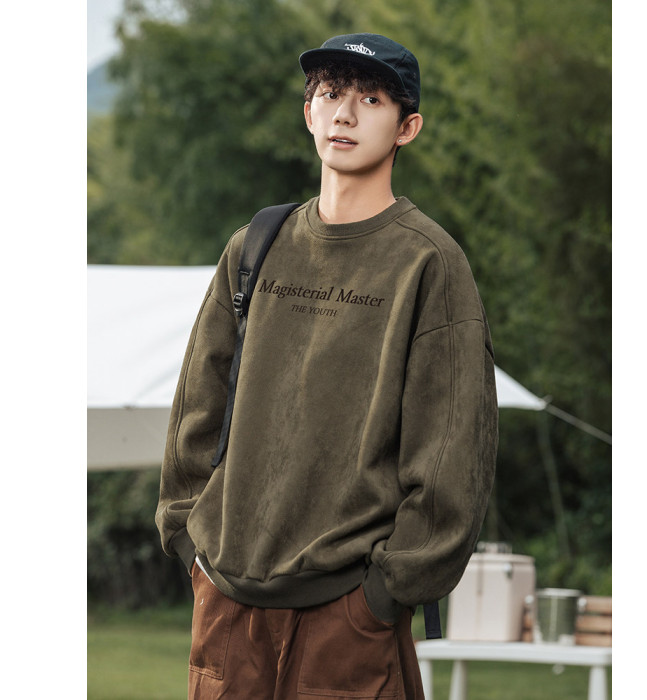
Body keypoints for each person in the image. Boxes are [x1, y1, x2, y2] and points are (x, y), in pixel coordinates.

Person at [156, 32, 498, 700]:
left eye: (370, 100)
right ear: (308, 112)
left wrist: (386, 592)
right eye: (330, 94)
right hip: (225, 598)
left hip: (350, 610)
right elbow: (196, 409)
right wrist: (191, 543)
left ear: (407, 128)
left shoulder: (429, 263)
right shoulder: (255, 246)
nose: (344, 113)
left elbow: (453, 448)